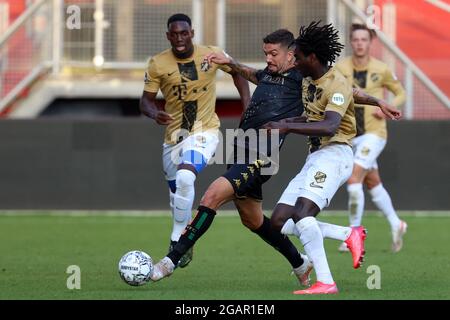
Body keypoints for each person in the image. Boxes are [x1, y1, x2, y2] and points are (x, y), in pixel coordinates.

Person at [149, 28, 401, 286]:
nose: (268, 58)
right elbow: (251, 74)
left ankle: (170, 260)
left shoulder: (300, 77)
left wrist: (376, 101)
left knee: (211, 195)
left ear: (292, 55)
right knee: (256, 220)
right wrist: (231, 63)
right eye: (265, 53)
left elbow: (346, 91)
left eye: (273, 53)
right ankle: (301, 263)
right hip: (240, 149)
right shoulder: (270, 74)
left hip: (262, 155)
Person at [264, 21, 400, 295]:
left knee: (303, 215)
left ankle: (326, 282)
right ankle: (347, 234)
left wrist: (287, 127)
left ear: (311, 57)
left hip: (336, 155)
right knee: (279, 221)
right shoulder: (308, 79)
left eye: (297, 56)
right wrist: (285, 120)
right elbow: (314, 115)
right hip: (316, 157)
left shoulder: (335, 82)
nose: (294, 60)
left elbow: (329, 125)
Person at [139, 13, 250, 268]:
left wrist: (248, 105)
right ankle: (180, 230)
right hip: (173, 138)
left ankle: (178, 239)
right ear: (168, 36)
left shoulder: (211, 54)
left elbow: (238, 73)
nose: (179, 38)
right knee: (177, 192)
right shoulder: (157, 63)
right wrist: (155, 112)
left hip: (205, 131)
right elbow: (145, 100)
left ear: (192, 32)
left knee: (186, 177)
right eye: (174, 34)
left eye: (184, 33)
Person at [335, 23, 407, 253]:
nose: (359, 43)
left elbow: (400, 92)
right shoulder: (341, 67)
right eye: (355, 39)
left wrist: (388, 106)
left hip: (375, 133)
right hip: (351, 134)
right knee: (372, 182)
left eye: (364, 39)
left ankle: (353, 234)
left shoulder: (382, 68)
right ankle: (397, 223)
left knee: (354, 178)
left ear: (370, 42)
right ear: (351, 41)